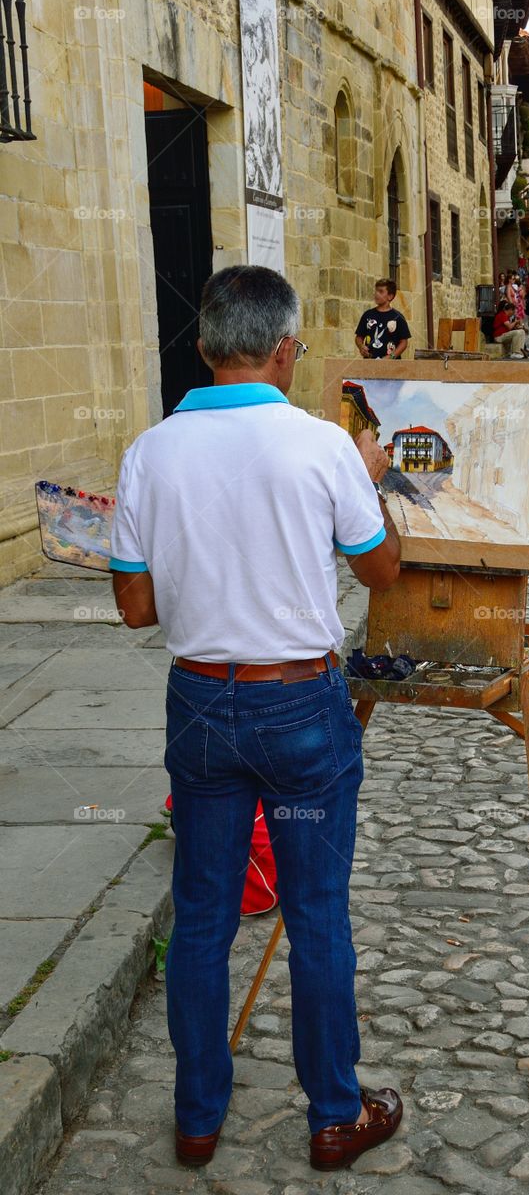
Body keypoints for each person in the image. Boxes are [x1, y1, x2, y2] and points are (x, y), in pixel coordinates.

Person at [110, 265, 404, 1172]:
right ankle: (333, 1116)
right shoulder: (320, 446)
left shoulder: (150, 451)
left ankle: (198, 1119)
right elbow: (380, 570)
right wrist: (368, 481)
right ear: (285, 350)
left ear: (201, 346)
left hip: (201, 701)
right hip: (298, 707)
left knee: (200, 916)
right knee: (316, 914)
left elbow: (134, 609)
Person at [355, 280, 411, 358]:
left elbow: (404, 342)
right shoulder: (367, 315)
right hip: (370, 363)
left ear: (390, 296)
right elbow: (359, 337)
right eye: (376, 291)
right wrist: (361, 347)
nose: (376, 294)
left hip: (392, 366)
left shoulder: (398, 317)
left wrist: (390, 357)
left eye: (381, 291)